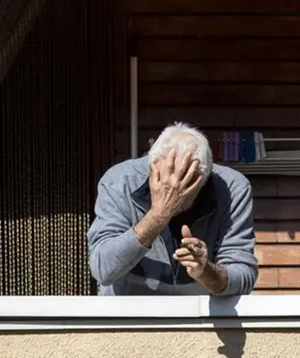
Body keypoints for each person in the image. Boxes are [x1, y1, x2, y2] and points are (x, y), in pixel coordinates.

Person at [87, 122, 258, 296]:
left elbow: (243, 276)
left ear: (203, 180)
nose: (173, 190)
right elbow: (103, 269)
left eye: (185, 186)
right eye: (164, 181)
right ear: (152, 167)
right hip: (128, 314)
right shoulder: (119, 181)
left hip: (201, 316)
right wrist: (158, 215)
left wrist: (206, 271)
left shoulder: (232, 188)